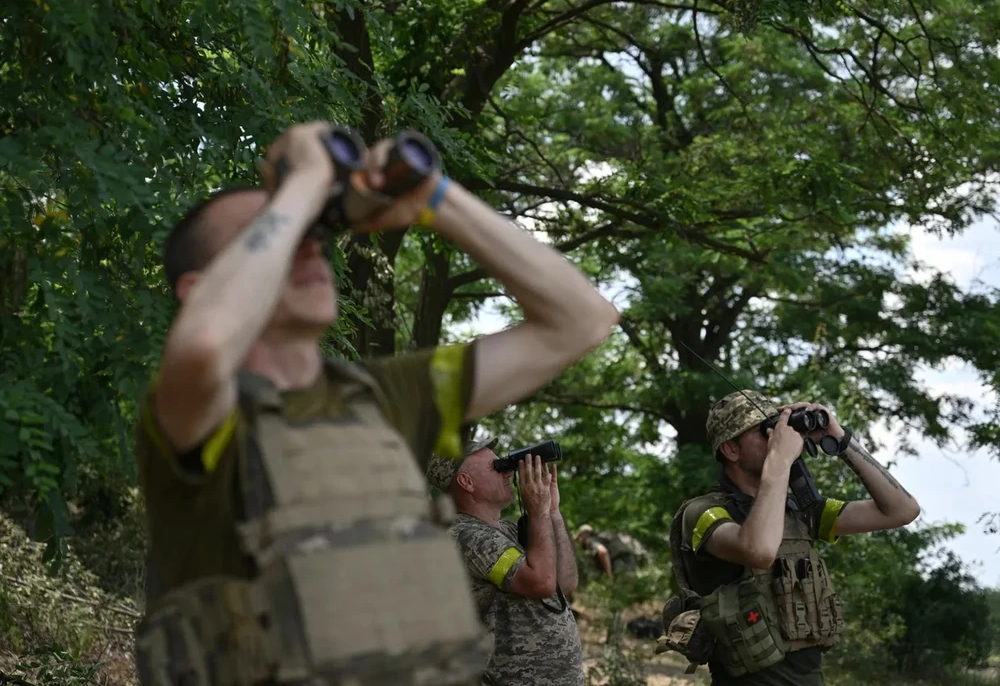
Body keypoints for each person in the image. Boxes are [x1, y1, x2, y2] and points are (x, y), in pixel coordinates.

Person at [131, 121, 620, 685]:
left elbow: (583, 320)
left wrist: (433, 198)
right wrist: (308, 179)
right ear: (199, 291)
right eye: (271, 230)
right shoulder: (198, 414)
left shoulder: (381, 396)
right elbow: (205, 344)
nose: (306, 238)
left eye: (310, 228)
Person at [662, 390, 920, 685]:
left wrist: (839, 439)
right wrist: (780, 462)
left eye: (778, 425)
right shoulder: (704, 512)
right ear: (731, 450)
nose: (777, 436)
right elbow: (758, 550)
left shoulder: (802, 513)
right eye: (764, 431)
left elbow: (902, 510)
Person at [426, 437, 583, 686]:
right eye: (497, 466)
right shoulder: (465, 536)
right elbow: (540, 583)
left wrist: (552, 512)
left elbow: (565, 583)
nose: (509, 470)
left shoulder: (509, 531)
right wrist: (538, 513)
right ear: (466, 482)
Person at [575, 524, 648, 578]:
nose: (579, 540)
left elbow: (603, 552)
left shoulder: (590, 540)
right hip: (629, 559)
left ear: (585, 534)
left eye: (580, 536)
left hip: (619, 563)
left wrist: (608, 575)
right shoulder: (605, 535)